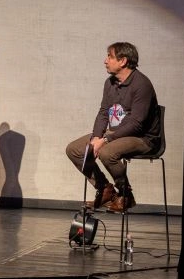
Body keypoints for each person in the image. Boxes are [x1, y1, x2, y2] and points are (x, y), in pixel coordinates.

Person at [65, 42, 160, 213]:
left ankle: (125, 194)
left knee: (107, 152)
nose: (105, 61)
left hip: (143, 138)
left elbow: (136, 123)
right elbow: (104, 112)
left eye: (110, 56)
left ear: (123, 61)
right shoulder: (110, 83)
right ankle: (105, 189)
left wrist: (106, 140)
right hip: (117, 133)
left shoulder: (142, 84)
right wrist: (96, 137)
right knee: (74, 149)